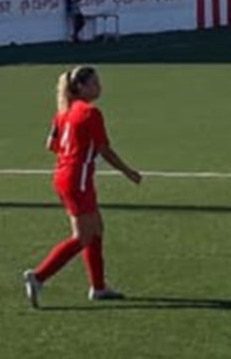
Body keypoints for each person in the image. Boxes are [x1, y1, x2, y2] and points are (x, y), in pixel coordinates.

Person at [22, 67, 142, 308]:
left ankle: (98, 287)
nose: (99, 87)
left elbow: (51, 145)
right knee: (83, 236)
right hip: (77, 179)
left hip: (65, 176)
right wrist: (128, 172)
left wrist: (73, 149)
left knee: (96, 229)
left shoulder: (64, 112)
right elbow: (104, 150)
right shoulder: (90, 113)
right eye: (94, 83)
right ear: (81, 87)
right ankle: (39, 277)